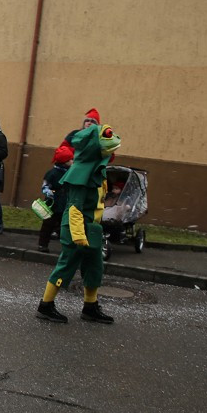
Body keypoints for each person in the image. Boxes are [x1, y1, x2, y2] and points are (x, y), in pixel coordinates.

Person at [36, 121, 121, 324]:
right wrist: (78, 234)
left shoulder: (95, 171)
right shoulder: (80, 174)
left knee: (94, 267)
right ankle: (46, 305)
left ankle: (90, 306)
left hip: (91, 227)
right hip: (76, 227)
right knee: (66, 265)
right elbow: (74, 208)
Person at [37, 145, 73, 252]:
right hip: (53, 204)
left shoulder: (70, 172)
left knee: (65, 225)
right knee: (48, 225)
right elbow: (45, 186)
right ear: (64, 161)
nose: (72, 161)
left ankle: (66, 247)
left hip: (65, 203)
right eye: (70, 159)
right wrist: (51, 194)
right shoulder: (52, 173)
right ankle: (42, 244)